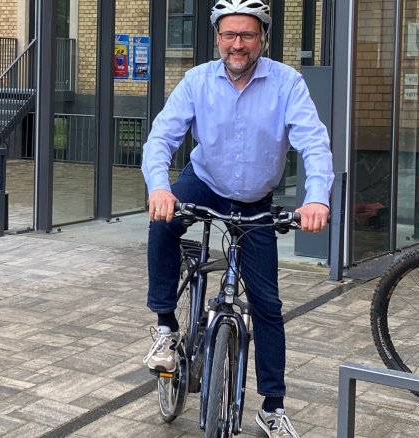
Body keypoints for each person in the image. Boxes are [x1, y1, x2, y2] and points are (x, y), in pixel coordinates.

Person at [139, 1, 333, 436]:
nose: (237, 44)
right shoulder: (197, 81)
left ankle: (272, 407)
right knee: (162, 223)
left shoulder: (287, 83)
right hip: (205, 180)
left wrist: (316, 198)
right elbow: (160, 139)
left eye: (247, 35)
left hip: (255, 198)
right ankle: (166, 328)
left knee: (267, 304)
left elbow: (314, 145)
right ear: (217, 37)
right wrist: (158, 187)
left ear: (262, 37)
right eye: (229, 35)